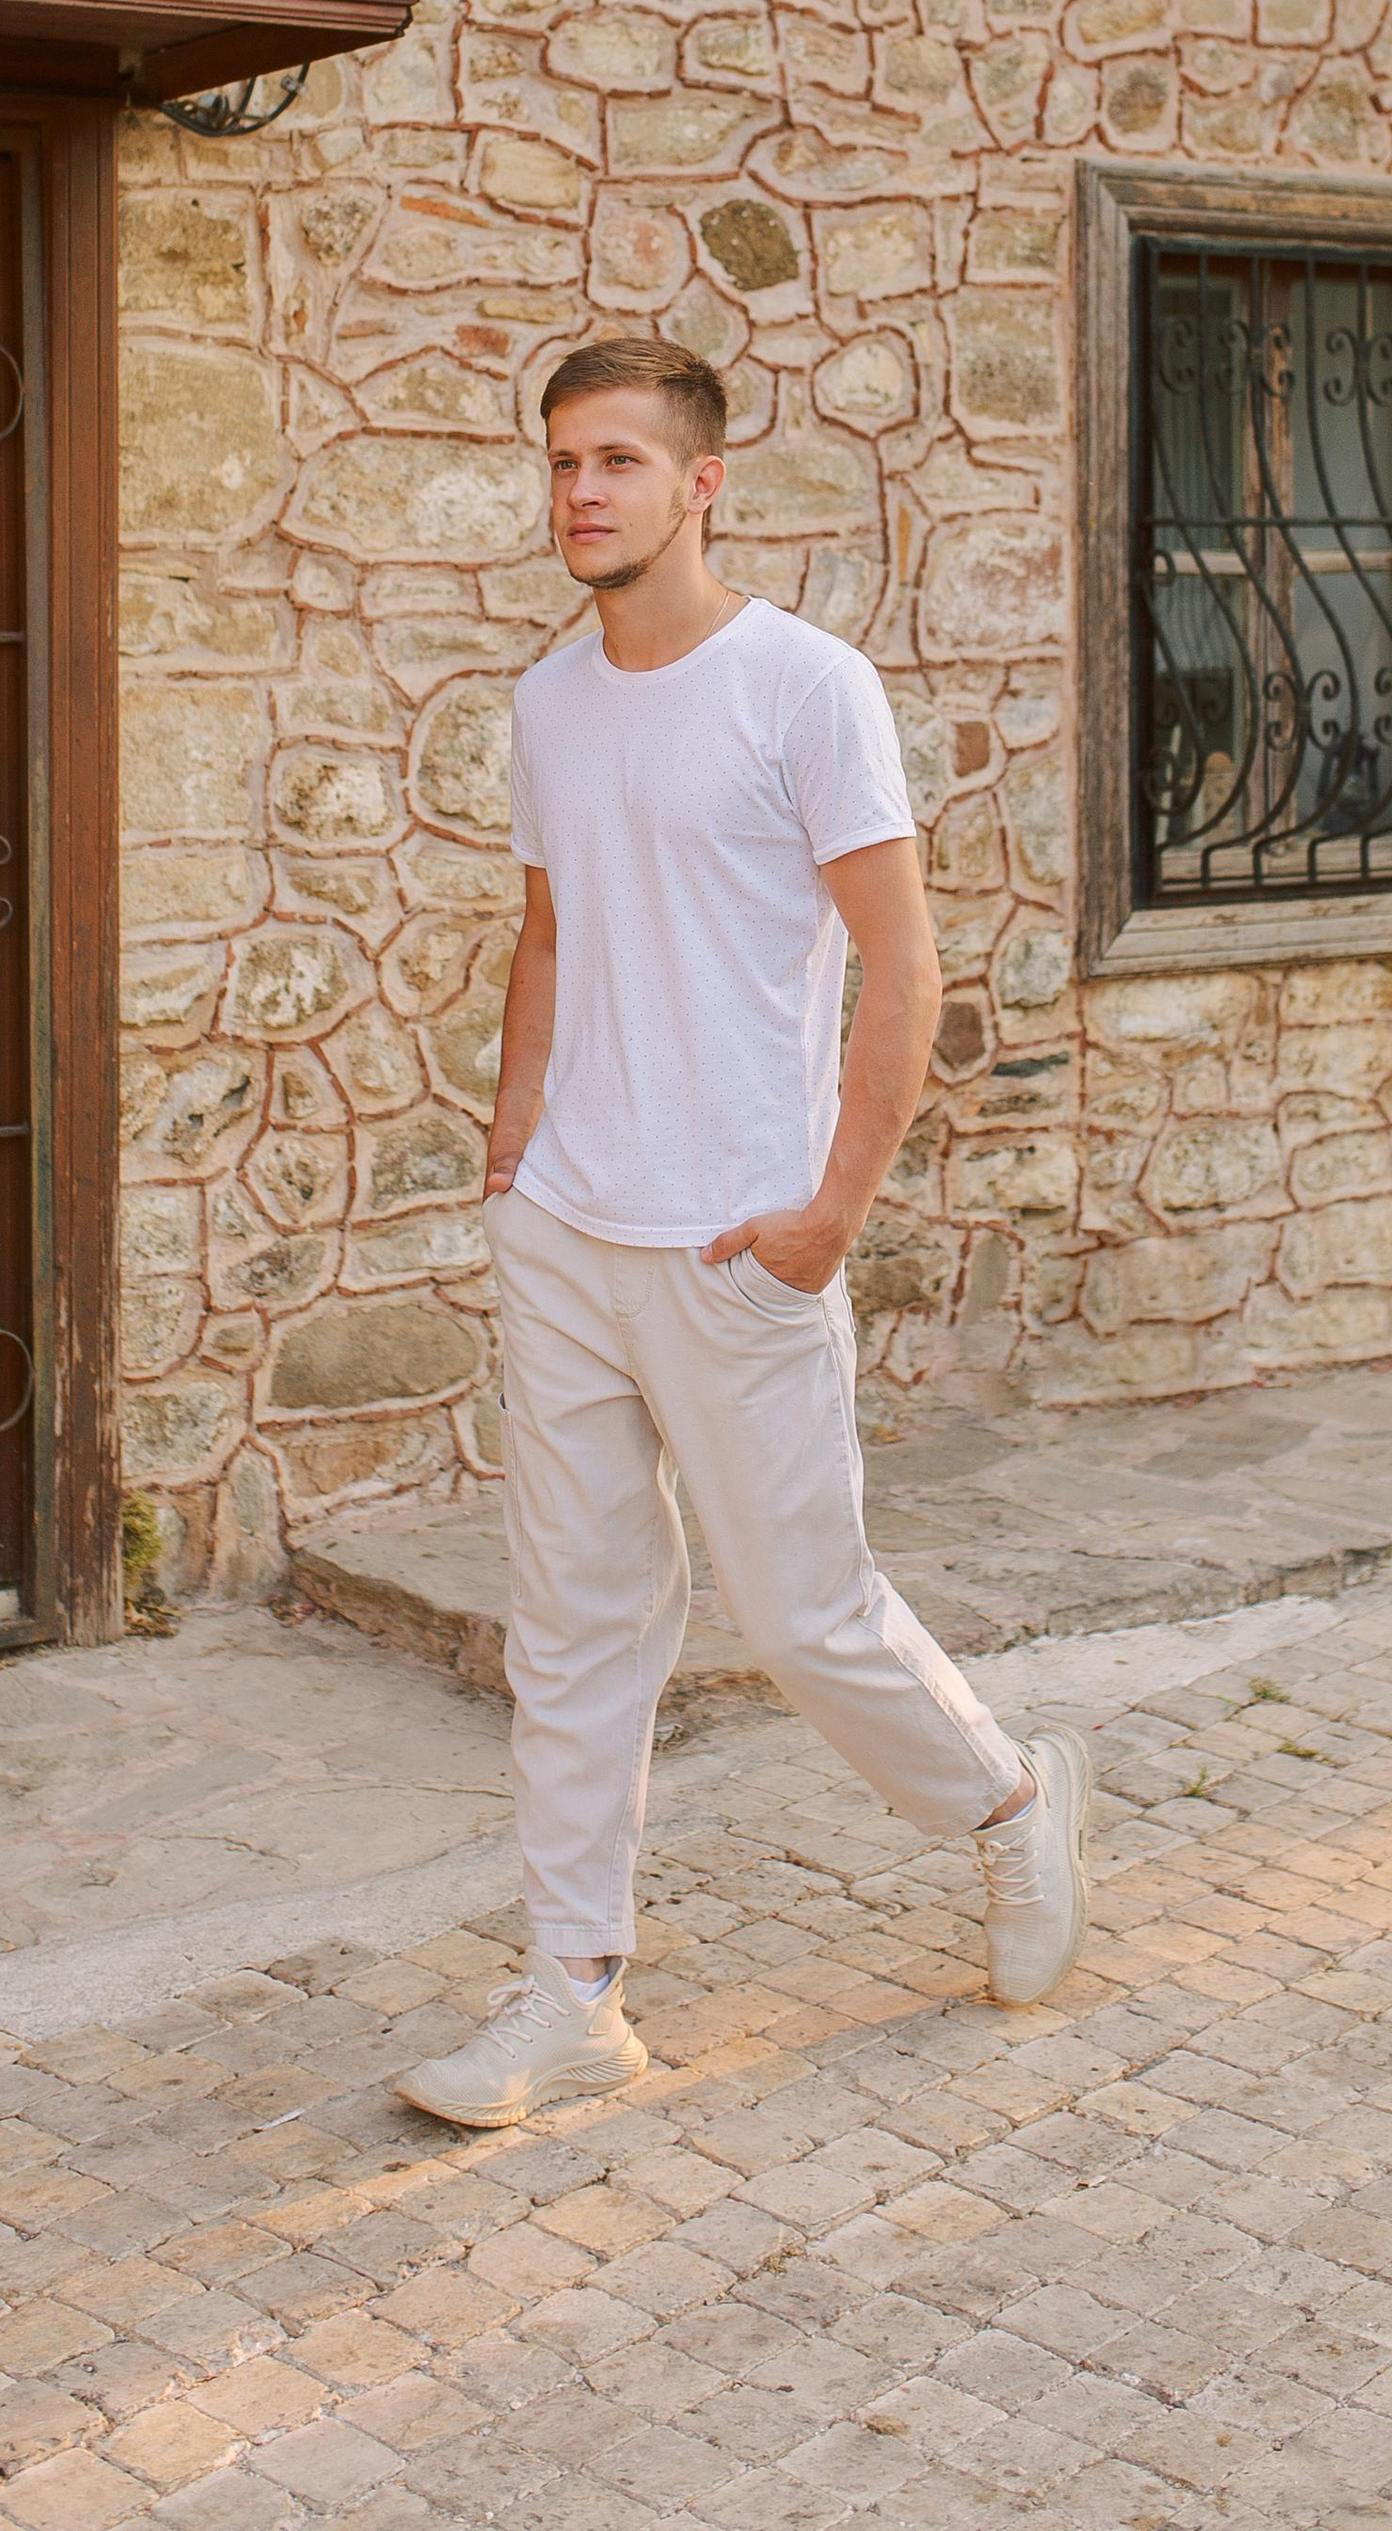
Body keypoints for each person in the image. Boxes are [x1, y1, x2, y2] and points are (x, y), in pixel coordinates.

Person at [395, 334, 1091, 2132]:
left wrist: (827, 1218)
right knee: (575, 1623)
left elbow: (905, 967)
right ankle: (573, 1993)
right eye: (562, 463)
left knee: (802, 1615)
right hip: (568, 1230)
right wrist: (509, 1153)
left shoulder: (806, 688)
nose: (582, 493)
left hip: (738, 1241)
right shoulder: (551, 703)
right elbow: (551, 933)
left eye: (618, 461)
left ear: (703, 482)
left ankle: (1011, 1811)